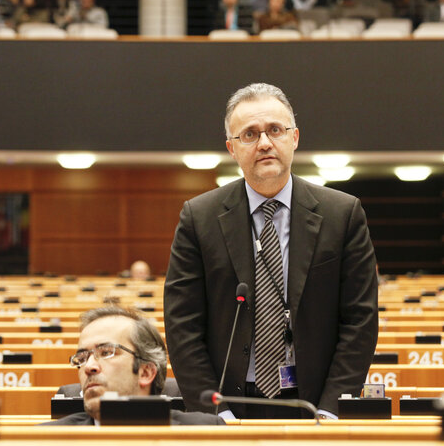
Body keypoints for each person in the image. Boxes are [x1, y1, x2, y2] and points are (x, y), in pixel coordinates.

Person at [164, 83, 378, 419]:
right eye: (249, 134)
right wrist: (213, 412)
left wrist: (332, 408)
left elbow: (360, 321)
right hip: (230, 407)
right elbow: (182, 325)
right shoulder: (198, 217)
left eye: (275, 130)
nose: (264, 143)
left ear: (294, 138)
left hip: (314, 405)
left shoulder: (342, 213)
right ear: (232, 149)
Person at [42, 307, 224, 425]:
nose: (89, 366)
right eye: (81, 358)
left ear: (146, 372)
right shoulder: (44, 440)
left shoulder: (205, 434)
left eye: (106, 352)